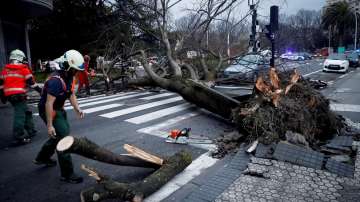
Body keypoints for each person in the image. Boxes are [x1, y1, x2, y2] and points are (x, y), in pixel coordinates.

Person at [33, 50, 85, 184]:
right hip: (49, 110)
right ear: (67, 66)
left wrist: (77, 108)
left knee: (58, 135)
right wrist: (49, 125)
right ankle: (67, 174)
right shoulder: (56, 81)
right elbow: (48, 104)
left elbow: (71, 94)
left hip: (59, 109)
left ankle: (42, 157)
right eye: (75, 69)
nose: (77, 72)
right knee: (64, 138)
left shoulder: (69, 77)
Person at [0, 49, 41, 144]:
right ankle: (19, 136)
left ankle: (31, 130)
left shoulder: (4, 70)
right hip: (19, 96)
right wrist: (41, 91)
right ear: (20, 58)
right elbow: (32, 83)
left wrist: (3, 96)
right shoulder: (23, 69)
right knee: (20, 115)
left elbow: (1, 85)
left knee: (26, 111)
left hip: (11, 97)